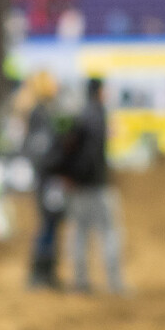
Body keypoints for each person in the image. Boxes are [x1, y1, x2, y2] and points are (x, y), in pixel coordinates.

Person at [61, 77, 126, 295]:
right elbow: (91, 154)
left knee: (79, 233)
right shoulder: (98, 115)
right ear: (99, 92)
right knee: (108, 233)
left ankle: (80, 281)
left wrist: (73, 177)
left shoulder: (79, 116)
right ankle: (114, 283)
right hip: (97, 185)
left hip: (79, 187)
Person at [17, 70, 70, 289]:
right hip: (48, 180)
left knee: (50, 225)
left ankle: (45, 274)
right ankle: (40, 275)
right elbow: (42, 149)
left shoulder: (41, 112)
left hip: (47, 178)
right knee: (47, 226)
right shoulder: (41, 113)